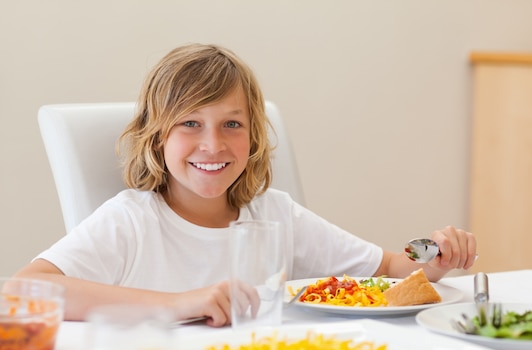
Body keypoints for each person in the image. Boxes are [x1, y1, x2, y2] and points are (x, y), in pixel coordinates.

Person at [15, 43, 477, 327]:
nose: (212, 145)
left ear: (253, 134)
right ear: (157, 138)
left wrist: (433, 253)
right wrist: (182, 303)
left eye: (232, 124)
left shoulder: (275, 213)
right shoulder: (131, 219)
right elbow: (21, 290)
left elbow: (390, 269)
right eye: (190, 124)